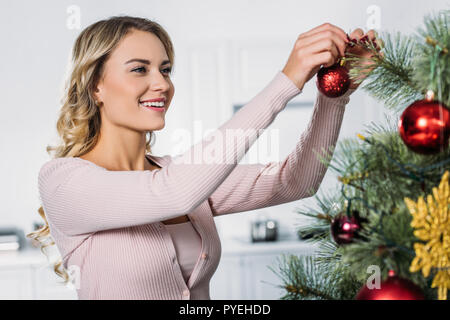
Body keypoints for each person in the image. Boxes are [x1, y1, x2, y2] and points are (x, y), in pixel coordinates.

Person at [28, 15, 380, 299]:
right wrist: (286, 81)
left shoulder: (180, 175)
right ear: (95, 86)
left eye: (165, 70)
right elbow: (172, 192)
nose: (162, 84)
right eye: (140, 69)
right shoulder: (63, 180)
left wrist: (336, 96)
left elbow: (295, 182)